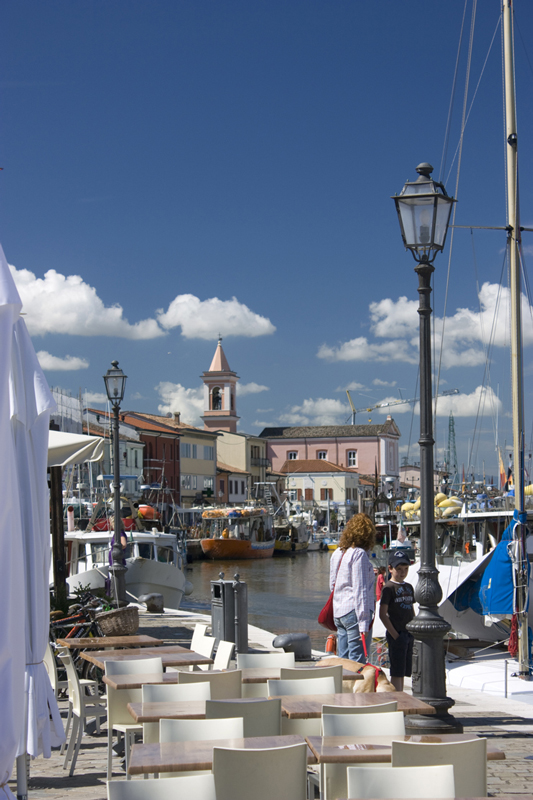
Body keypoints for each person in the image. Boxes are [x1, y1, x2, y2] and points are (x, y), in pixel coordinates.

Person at [329, 513, 376, 663]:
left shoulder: (338, 552)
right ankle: (357, 686)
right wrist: (364, 624)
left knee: (343, 660)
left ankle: (343, 686)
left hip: (340, 612)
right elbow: (360, 591)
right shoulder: (359, 554)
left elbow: (332, 585)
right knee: (357, 662)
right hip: (355, 614)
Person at [379, 550, 415, 691]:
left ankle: (403, 697)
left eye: (405, 569)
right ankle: (397, 698)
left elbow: (411, 609)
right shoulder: (388, 588)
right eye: (399, 569)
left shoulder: (409, 587)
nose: (402, 572)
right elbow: (383, 614)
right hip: (397, 633)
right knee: (397, 671)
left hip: (409, 633)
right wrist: (395, 635)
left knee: (406, 670)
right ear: (390, 569)